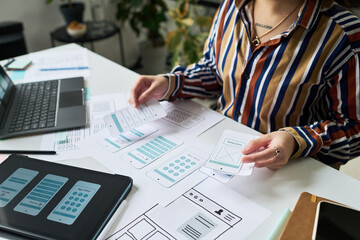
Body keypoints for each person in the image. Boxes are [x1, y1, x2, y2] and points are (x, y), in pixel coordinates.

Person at [129, 0, 360, 170]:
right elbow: (214, 71)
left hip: (285, 175)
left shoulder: (345, 35)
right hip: (215, 154)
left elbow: (354, 128)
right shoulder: (232, 6)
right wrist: (170, 83)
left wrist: (296, 140)